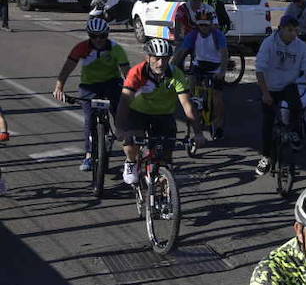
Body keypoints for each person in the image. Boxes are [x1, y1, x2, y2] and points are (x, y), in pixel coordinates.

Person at [115, 38, 206, 185]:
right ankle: (131, 163)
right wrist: (120, 129)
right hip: (138, 112)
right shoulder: (136, 73)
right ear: (148, 57)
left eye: (165, 59)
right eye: (157, 59)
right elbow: (124, 102)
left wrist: (198, 133)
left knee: (165, 158)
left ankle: (166, 193)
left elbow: (187, 105)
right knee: (131, 141)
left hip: (164, 114)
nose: (161, 63)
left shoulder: (176, 74)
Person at [53, 17, 131, 170]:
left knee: (120, 114)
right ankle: (89, 155)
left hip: (112, 83)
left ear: (107, 35)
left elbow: (127, 74)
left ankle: (129, 152)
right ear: (89, 35)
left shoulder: (116, 49)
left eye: (102, 36)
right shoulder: (81, 47)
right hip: (89, 86)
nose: (98, 40)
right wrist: (59, 87)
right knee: (89, 119)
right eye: (94, 36)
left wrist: (131, 93)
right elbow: (67, 68)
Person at [253, 18, 306, 176]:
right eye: (289, 30)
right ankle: (266, 156)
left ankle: (294, 131)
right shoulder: (269, 43)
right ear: (280, 29)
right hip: (270, 86)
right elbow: (259, 69)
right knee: (267, 122)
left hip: (288, 84)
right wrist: (265, 94)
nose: (293, 34)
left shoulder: (300, 46)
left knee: (297, 106)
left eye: (296, 30)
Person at [171, 8, 229, 138]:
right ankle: (194, 111)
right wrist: (170, 68)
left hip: (216, 66)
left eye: (206, 25)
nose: (203, 28)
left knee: (217, 97)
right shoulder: (193, 34)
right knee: (190, 89)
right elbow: (181, 52)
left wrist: (222, 72)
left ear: (210, 24)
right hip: (200, 65)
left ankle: (218, 124)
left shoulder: (217, 35)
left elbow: (225, 55)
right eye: (200, 25)